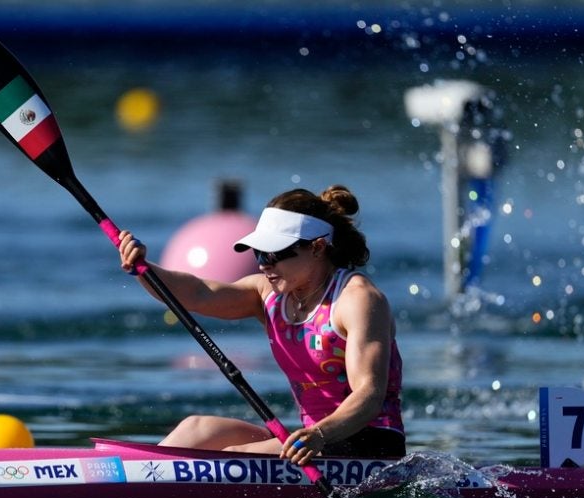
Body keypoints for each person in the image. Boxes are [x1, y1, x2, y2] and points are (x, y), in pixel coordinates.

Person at [117, 185, 405, 465]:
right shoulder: (269, 295)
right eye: (258, 254)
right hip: (310, 441)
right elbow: (197, 293)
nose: (264, 265)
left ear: (317, 248)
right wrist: (144, 269)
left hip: (367, 443)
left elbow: (369, 395)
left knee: (233, 455)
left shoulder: (357, 300)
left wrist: (319, 434)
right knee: (197, 429)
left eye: (273, 254)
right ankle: (135, 474)